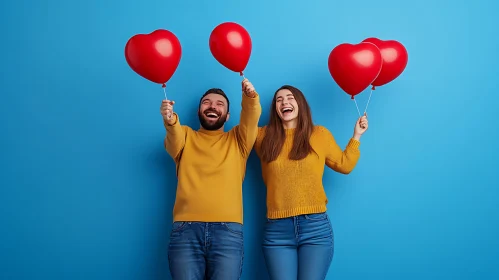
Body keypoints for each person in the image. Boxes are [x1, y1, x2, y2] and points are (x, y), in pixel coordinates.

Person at [254, 85, 368, 280]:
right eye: (279, 100)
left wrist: (356, 136)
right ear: (275, 109)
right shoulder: (262, 136)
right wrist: (250, 98)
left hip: (315, 228)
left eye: (290, 98)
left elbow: (345, 164)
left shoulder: (319, 134)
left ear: (300, 104)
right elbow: (245, 126)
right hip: (277, 230)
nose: (284, 102)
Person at [160, 79, 262, 280]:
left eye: (219, 104)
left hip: (228, 232)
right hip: (185, 231)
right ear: (199, 111)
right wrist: (171, 120)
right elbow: (173, 138)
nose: (213, 106)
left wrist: (250, 97)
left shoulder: (238, 141)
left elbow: (250, 119)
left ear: (228, 115)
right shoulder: (186, 136)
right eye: (206, 102)